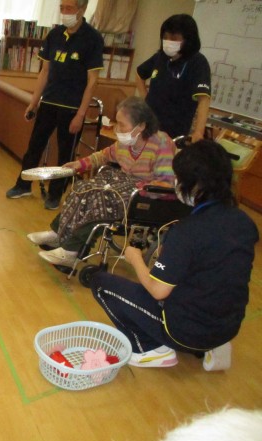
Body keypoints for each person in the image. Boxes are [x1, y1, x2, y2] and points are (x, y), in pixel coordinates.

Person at [90, 139, 258, 370]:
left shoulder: (187, 231)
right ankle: (212, 344)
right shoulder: (245, 223)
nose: (176, 183)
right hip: (228, 326)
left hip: (186, 330)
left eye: (178, 178)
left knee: (101, 283)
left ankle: (149, 349)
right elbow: (215, 267)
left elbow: (158, 291)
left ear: (196, 185)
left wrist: (135, 259)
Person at [28, 96, 176, 269]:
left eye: (122, 125)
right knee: (84, 188)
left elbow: (167, 183)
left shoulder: (161, 144)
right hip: (126, 184)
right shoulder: (127, 142)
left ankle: (71, 251)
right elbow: (104, 155)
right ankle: (57, 233)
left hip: (147, 195)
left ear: (141, 126)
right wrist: (79, 164)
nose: (117, 129)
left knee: (101, 199)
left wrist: (138, 187)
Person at [6, 0, 104, 210]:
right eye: (62, 8)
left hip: (72, 107)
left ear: (82, 9)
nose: (64, 12)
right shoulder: (55, 34)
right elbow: (45, 71)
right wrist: (34, 102)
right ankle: (23, 185)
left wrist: (81, 114)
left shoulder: (93, 39)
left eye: (69, 8)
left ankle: (55, 194)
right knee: (34, 147)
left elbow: (93, 81)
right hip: (49, 102)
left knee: (65, 154)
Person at [136, 14, 211, 142]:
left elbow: (203, 99)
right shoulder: (160, 57)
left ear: (188, 39)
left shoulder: (198, 62)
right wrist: (146, 99)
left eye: (174, 38)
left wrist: (198, 132)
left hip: (175, 131)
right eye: (165, 37)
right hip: (149, 126)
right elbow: (139, 74)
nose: (169, 41)